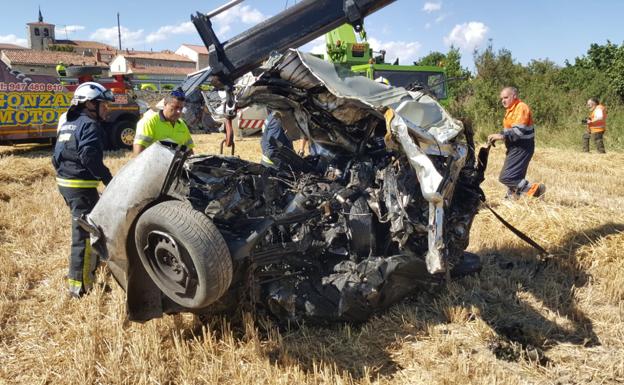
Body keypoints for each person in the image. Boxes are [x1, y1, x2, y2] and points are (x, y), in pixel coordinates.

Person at [52, 82, 115, 298]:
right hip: (81, 187)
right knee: (85, 236)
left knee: (93, 230)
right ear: (89, 104)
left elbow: (56, 155)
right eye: (103, 105)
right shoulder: (89, 125)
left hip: (68, 184)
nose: (107, 109)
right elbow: (89, 157)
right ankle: (79, 288)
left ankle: (89, 277)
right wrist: (109, 180)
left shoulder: (71, 122)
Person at [487, 86, 545, 199]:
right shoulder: (510, 110)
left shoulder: (521, 108)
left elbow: (517, 132)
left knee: (507, 177)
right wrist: (498, 136)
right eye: (502, 98)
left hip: (522, 148)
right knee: (515, 176)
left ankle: (537, 190)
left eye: (506, 97)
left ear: (514, 96)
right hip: (516, 147)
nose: (503, 100)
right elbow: (508, 130)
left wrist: (500, 136)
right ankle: (513, 197)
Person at [133, 89, 194, 154]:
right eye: (175, 107)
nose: (178, 111)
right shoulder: (149, 122)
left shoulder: (182, 124)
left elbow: (189, 152)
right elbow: (138, 155)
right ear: (165, 104)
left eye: (181, 108)